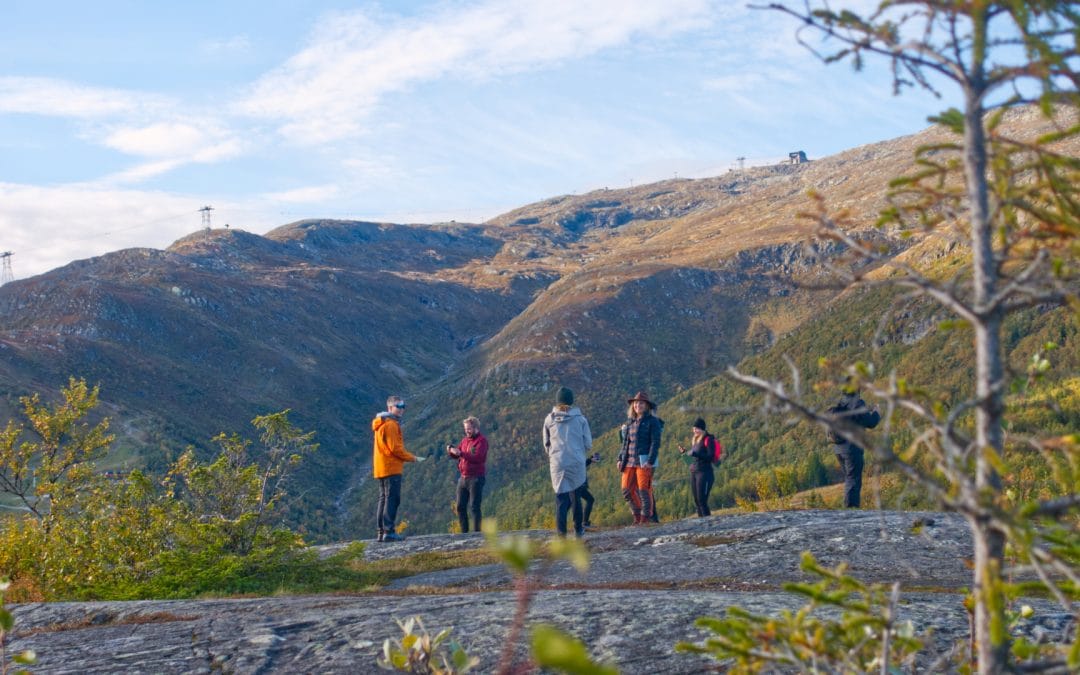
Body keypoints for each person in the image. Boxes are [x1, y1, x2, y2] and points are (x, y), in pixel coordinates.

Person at [372, 395, 425, 542]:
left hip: (381, 467)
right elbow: (396, 449)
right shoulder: (391, 425)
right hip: (391, 467)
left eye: (403, 406)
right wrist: (413, 458)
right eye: (398, 406)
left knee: (383, 498)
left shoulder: (380, 423)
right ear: (390, 408)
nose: (402, 409)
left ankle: (381, 532)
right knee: (392, 499)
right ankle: (388, 532)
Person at [542, 386, 592, 537]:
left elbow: (546, 444)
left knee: (561, 499)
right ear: (571, 401)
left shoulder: (549, 419)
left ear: (557, 401)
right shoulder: (581, 419)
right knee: (576, 496)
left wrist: (555, 454)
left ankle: (561, 534)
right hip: (576, 462)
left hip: (558, 462)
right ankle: (578, 530)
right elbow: (588, 444)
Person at [827, 386, 881, 508]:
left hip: (838, 448)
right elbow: (871, 422)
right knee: (853, 479)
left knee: (849, 478)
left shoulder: (841, 404)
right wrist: (877, 413)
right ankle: (851, 508)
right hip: (852, 448)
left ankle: (849, 507)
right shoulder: (858, 403)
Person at [617, 391, 662, 525]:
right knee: (626, 490)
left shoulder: (653, 422)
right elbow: (625, 443)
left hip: (644, 461)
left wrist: (650, 461)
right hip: (628, 461)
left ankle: (645, 518)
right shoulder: (630, 422)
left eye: (641, 403)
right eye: (636, 403)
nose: (638, 405)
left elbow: (656, 442)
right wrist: (619, 459)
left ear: (647, 405)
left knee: (644, 490)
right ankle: (637, 514)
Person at [447, 416, 488, 533]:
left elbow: (478, 457)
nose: (467, 431)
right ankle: (464, 533)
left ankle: (476, 533)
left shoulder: (482, 441)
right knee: (460, 507)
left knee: (475, 507)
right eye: (465, 429)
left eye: (469, 428)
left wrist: (461, 453)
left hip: (476, 478)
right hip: (463, 478)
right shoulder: (465, 441)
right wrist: (451, 451)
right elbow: (458, 454)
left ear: (476, 428)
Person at [678, 417, 720, 517]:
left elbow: (710, 457)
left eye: (696, 428)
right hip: (694, 473)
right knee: (697, 501)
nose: (694, 431)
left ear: (702, 429)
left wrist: (696, 454)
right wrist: (684, 453)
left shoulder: (708, 439)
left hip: (705, 473)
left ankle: (708, 524)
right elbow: (692, 462)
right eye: (693, 429)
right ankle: (701, 524)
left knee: (702, 501)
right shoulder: (695, 441)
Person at [579, 451, 602, 530]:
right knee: (588, 500)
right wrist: (591, 459)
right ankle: (583, 523)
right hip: (579, 484)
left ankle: (583, 523)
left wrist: (591, 459)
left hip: (577, 483)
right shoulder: (576, 453)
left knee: (589, 500)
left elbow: (583, 464)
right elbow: (581, 465)